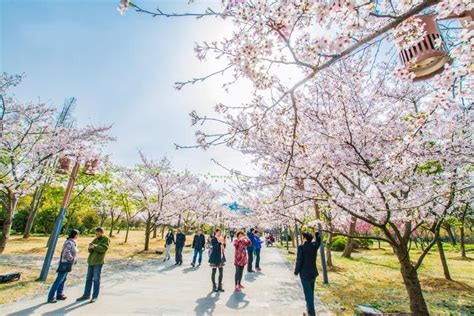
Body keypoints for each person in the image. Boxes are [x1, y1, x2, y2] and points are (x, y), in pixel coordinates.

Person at [77, 227, 110, 303]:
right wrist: (90, 247)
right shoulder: (95, 239)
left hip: (98, 262)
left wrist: (95, 246)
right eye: (96, 233)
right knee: (88, 279)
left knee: (96, 279)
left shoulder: (106, 239)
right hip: (91, 261)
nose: (97, 235)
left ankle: (94, 296)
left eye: (98, 233)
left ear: (102, 233)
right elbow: (89, 250)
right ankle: (86, 294)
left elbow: (104, 249)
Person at [47, 229, 79, 303]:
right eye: (77, 235)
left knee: (63, 279)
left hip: (68, 263)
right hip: (65, 263)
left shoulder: (72, 242)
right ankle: (51, 297)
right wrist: (72, 259)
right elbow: (66, 253)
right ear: (75, 235)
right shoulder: (69, 242)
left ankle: (59, 294)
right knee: (59, 280)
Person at [294, 232, 321, 316]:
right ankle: (309, 311)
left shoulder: (301, 247)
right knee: (311, 293)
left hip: (304, 274)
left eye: (302, 237)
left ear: (305, 238)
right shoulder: (314, 246)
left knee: (308, 294)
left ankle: (311, 313)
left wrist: (296, 271)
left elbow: (299, 260)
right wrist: (317, 235)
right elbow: (319, 242)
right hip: (313, 273)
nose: (301, 238)